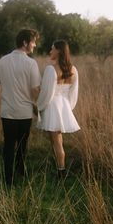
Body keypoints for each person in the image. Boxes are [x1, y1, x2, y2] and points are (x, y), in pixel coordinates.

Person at [0, 29, 41, 186]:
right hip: (25, 113)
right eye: (33, 41)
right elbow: (35, 90)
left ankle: (8, 179)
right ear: (25, 43)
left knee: (8, 145)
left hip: (7, 112)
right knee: (22, 145)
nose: (35, 44)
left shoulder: (3, 61)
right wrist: (37, 105)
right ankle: (20, 171)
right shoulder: (31, 63)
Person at [37, 39, 80, 178]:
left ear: (59, 51)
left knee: (56, 142)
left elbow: (46, 93)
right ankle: (59, 168)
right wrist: (68, 109)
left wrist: (39, 107)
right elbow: (73, 93)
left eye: (52, 49)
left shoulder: (51, 69)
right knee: (57, 141)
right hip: (64, 106)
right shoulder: (73, 69)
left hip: (53, 106)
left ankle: (61, 172)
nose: (50, 51)